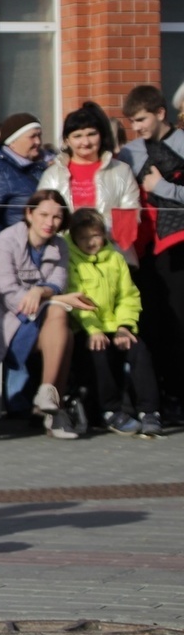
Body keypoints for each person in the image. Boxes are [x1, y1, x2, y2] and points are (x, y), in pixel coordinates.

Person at [0, 190, 95, 437]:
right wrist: (51, 296)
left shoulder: (59, 245)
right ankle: (52, 413)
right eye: (44, 215)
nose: (50, 223)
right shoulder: (4, 242)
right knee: (62, 323)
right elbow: (12, 298)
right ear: (29, 213)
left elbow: (58, 280)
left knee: (62, 324)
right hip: (2, 324)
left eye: (57, 217)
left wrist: (42, 291)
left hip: (39, 322)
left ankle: (47, 394)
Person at [118, 84, 184, 424]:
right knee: (153, 324)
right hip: (144, 250)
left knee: (178, 323)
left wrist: (163, 188)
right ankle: (160, 394)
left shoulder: (182, 144)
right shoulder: (130, 152)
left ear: (160, 113)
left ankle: (177, 394)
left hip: (178, 247)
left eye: (141, 119)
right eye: (131, 121)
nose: (137, 127)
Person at [65, 208, 161, 437]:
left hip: (115, 325)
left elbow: (128, 296)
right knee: (98, 352)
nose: (90, 242)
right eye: (83, 238)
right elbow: (77, 299)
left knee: (140, 351)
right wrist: (94, 330)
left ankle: (150, 411)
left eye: (95, 236)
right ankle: (110, 410)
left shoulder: (116, 258)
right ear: (74, 238)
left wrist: (124, 327)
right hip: (87, 328)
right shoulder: (70, 260)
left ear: (104, 234)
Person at [37, 101, 140, 258]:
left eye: (91, 134)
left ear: (101, 135)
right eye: (77, 136)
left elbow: (131, 215)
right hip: (65, 255)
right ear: (67, 140)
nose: (85, 142)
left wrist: (96, 236)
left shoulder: (121, 171)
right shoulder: (52, 175)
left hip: (111, 255)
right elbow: (43, 216)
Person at [0, 112, 49, 242]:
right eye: (32, 137)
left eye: (39, 135)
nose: (38, 142)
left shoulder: (39, 166)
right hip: (15, 247)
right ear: (12, 142)